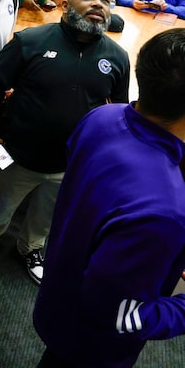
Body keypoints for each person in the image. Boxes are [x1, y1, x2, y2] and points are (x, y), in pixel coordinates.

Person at [33, 28, 185, 367]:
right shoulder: (163, 214)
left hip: (59, 295)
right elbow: (122, 318)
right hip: (90, 347)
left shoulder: (101, 117)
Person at [0, 0, 129, 285]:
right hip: (16, 152)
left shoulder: (118, 58)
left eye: (106, 0)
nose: (98, 4)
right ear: (66, 6)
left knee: (47, 213)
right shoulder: (30, 40)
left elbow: (116, 112)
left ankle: (31, 248)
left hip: (70, 162)